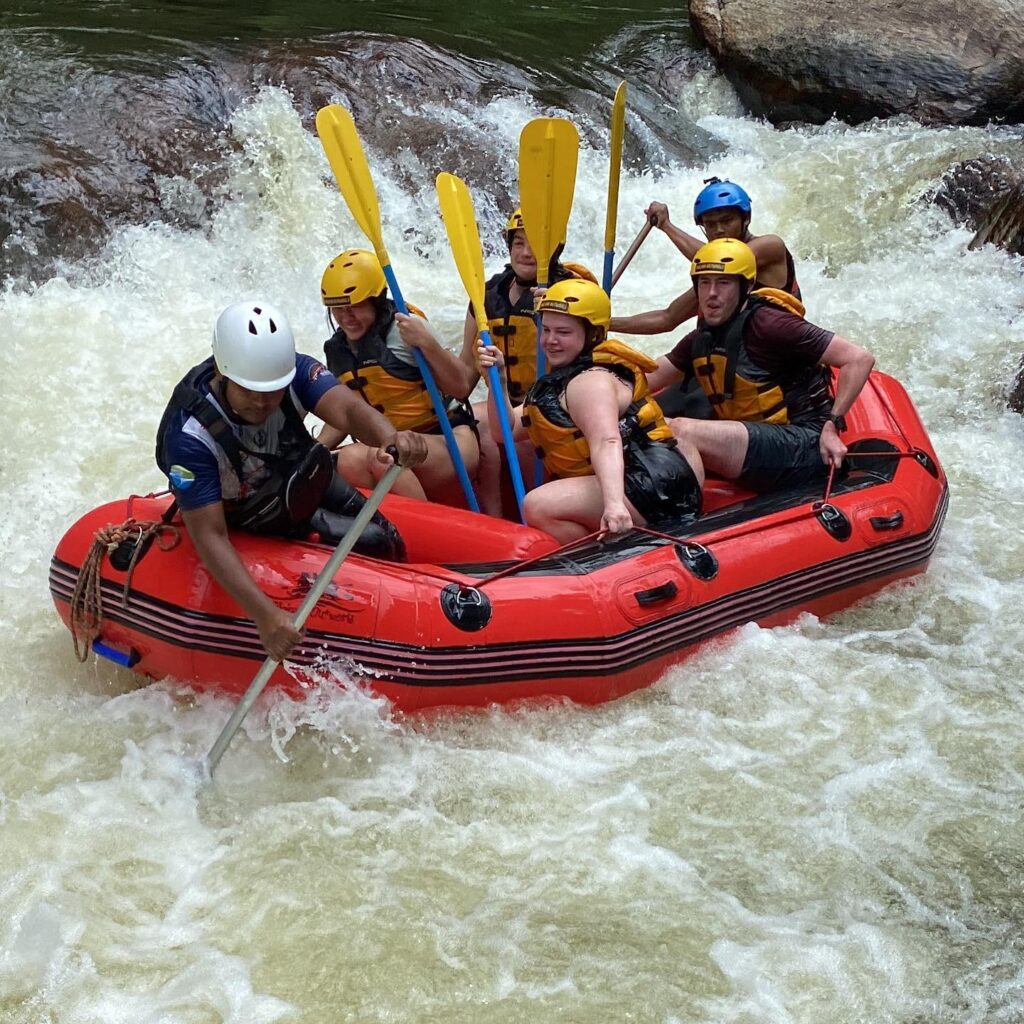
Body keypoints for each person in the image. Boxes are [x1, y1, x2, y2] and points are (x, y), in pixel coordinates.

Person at [156, 300, 428, 661]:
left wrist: (389, 436)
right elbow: (210, 535)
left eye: (272, 390)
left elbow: (347, 409)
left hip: (300, 475)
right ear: (224, 373)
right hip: (253, 510)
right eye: (249, 390)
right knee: (374, 542)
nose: (262, 401)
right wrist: (265, 617)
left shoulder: (293, 372)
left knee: (388, 538)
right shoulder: (190, 437)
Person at [479, 278, 703, 543]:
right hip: (645, 478)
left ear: (593, 334)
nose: (550, 340)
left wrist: (613, 505)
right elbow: (505, 431)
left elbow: (606, 441)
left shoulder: (590, 382)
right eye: (546, 330)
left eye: (563, 332)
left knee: (537, 504)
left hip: (652, 484)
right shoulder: (561, 379)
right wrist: (499, 382)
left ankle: (599, 553)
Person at [646, 238, 875, 492]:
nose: (711, 294)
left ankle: (687, 521)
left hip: (803, 444)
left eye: (723, 283)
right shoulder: (702, 337)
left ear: (746, 287)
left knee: (678, 429)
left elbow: (859, 358)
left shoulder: (770, 324)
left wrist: (833, 425)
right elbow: (650, 377)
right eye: (704, 283)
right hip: (756, 442)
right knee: (647, 426)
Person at [451, 209, 598, 516]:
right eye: (519, 243)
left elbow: (595, 356)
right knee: (476, 423)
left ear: (555, 248)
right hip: (506, 399)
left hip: (558, 402)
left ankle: (540, 511)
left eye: (536, 244)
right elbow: (465, 378)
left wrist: (558, 311)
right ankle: (495, 520)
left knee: (534, 424)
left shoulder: (573, 292)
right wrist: (426, 348)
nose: (526, 252)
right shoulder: (486, 295)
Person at [318, 249, 480, 506]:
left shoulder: (406, 331)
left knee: (380, 457)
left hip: (448, 442)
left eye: (355, 306)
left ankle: (432, 531)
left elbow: (460, 386)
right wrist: (313, 451)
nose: (346, 317)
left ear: (376, 300)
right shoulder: (338, 349)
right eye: (338, 309)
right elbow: (347, 412)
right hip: (394, 447)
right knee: (347, 460)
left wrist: (428, 344)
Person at [609, 178, 802, 338]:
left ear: (745, 220)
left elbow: (723, 260)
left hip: (776, 357)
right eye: (710, 224)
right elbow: (667, 318)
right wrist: (602, 323)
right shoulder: (714, 286)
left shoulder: (770, 246)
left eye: (727, 221)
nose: (718, 230)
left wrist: (666, 226)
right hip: (734, 360)